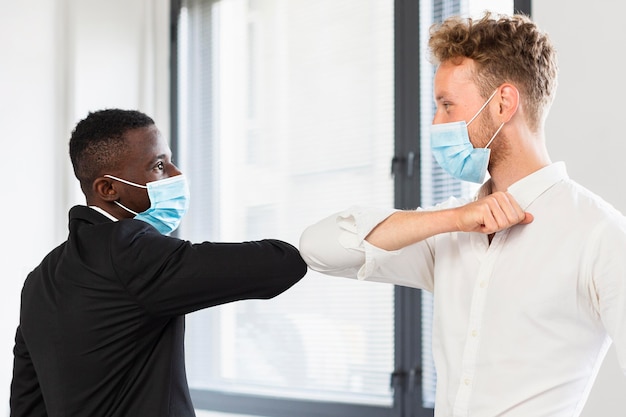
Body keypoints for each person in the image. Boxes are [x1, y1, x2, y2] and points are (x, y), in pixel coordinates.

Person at [299, 12, 626, 417]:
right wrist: (453, 219)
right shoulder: (450, 228)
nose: (436, 123)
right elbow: (317, 249)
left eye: (447, 106)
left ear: (503, 103)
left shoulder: (600, 234)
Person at [10, 109, 307, 417]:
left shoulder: (40, 278)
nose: (177, 175)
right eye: (159, 166)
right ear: (108, 189)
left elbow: (27, 404)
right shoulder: (129, 249)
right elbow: (280, 265)